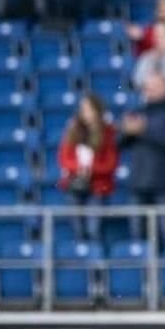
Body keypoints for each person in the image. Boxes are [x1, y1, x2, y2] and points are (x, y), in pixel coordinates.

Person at [119, 72, 165, 239]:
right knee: (137, 232)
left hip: (164, 180)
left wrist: (143, 130)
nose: (149, 91)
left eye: (154, 87)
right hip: (139, 180)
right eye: (147, 87)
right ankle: (141, 264)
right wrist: (127, 131)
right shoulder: (139, 111)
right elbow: (121, 143)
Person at [58, 93, 118, 241]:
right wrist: (78, 168)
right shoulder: (73, 131)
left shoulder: (108, 133)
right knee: (78, 228)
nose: (86, 113)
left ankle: (95, 260)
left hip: (98, 186)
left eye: (90, 109)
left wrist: (91, 170)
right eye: (83, 109)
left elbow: (111, 163)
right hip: (74, 185)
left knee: (94, 228)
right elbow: (64, 158)